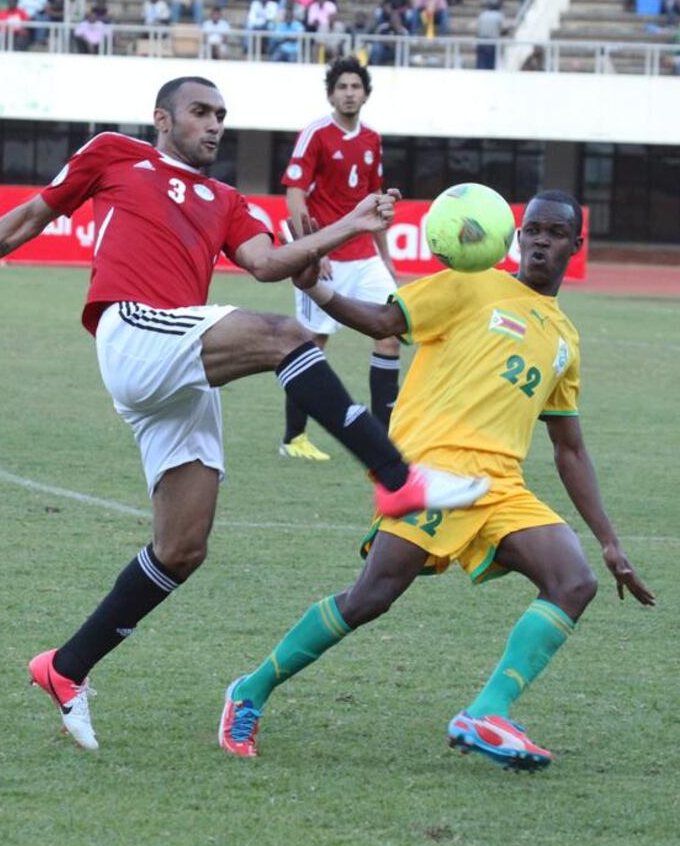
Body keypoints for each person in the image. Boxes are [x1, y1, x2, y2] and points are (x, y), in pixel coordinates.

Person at [0, 76, 487, 751]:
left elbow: (268, 263)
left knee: (182, 548)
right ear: (162, 119)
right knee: (284, 337)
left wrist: (346, 228)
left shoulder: (228, 199)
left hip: (177, 359)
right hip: (133, 330)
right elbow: (32, 214)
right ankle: (398, 480)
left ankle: (65, 669)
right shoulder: (116, 154)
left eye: (221, 116)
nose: (214, 125)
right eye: (201, 113)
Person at [219, 190, 656, 767]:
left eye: (555, 233)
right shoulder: (472, 281)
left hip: (500, 485)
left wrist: (609, 540)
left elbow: (569, 448)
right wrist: (317, 288)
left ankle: (485, 713)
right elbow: (381, 320)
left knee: (573, 580)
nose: (541, 241)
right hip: (431, 470)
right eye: (532, 230)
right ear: (516, 236)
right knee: (371, 596)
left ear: (577, 246)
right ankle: (249, 690)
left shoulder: (564, 340)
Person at [280, 60, 401, 459]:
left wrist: (386, 257)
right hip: (326, 255)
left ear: (365, 93)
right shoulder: (315, 134)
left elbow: (375, 201)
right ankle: (293, 438)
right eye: (342, 86)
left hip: (364, 256)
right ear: (331, 93)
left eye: (355, 86)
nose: (349, 92)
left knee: (389, 332)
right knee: (312, 343)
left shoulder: (372, 140)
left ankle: (383, 439)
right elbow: (295, 192)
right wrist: (313, 247)